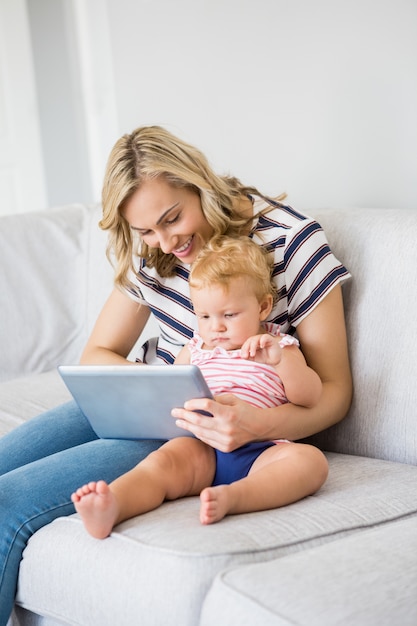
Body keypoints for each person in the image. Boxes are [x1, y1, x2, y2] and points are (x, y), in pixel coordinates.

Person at [0, 125, 352, 623]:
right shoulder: (156, 251)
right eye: (145, 231)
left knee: (5, 508)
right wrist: (157, 383)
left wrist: (255, 425)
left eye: (172, 218)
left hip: (207, 431)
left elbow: (334, 395)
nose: (164, 242)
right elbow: (99, 352)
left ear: (200, 186)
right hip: (150, 401)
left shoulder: (291, 242)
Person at [71, 236, 327, 537]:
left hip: (260, 449)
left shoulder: (278, 345)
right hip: (200, 446)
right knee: (160, 464)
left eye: (229, 315)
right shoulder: (195, 348)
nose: (216, 327)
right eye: (204, 316)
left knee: (311, 462)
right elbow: (170, 395)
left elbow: (310, 397)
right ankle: (113, 504)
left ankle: (236, 497)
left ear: (263, 306)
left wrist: (282, 361)